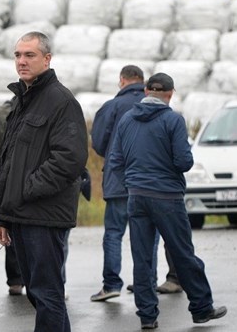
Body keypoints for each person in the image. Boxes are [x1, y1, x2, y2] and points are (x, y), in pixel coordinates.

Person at [108, 72, 226, 329]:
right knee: (183, 254)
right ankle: (202, 308)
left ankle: (148, 317)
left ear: (146, 91)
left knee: (142, 259)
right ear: (170, 95)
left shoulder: (127, 119)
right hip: (167, 197)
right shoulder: (173, 120)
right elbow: (184, 162)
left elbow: (115, 161)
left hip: (136, 197)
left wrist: (132, 182)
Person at [0, 31, 88, 332]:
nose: (21, 61)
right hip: (22, 213)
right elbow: (7, 162)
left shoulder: (60, 101)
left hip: (43, 215)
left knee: (47, 293)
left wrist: (26, 191)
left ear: (47, 59)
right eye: (18, 55)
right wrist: (3, 215)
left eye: (29, 55)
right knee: (39, 292)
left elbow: (69, 159)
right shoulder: (23, 100)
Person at [89, 65, 147, 301]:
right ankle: (147, 282)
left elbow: (99, 142)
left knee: (114, 233)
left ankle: (112, 284)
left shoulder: (112, 106)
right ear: (142, 81)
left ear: (122, 81)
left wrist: (114, 154)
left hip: (119, 180)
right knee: (146, 235)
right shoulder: (155, 105)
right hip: (147, 182)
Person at [0, 98, 24, 296]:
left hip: (31, 182)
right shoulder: (2, 113)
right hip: (8, 182)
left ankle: (25, 278)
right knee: (10, 230)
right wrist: (0, 181)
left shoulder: (46, 107)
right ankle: (15, 279)